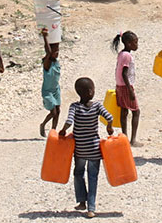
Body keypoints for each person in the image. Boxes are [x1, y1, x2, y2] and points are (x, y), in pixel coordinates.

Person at [60, 77, 114, 219]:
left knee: (78, 174)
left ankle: (82, 201)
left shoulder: (74, 107)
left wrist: (63, 131)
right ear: (90, 91)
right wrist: (109, 128)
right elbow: (110, 117)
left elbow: (69, 121)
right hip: (95, 150)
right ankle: (91, 208)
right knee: (93, 177)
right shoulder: (97, 106)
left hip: (80, 150)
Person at [111, 31, 141, 146]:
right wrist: (130, 90)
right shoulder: (127, 56)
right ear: (128, 43)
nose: (137, 45)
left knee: (124, 111)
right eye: (135, 42)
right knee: (136, 111)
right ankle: (132, 140)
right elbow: (124, 73)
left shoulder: (121, 54)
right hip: (126, 87)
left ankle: (125, 137)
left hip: (119, 85)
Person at [40, 28, 61, 137]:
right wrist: (45, 37)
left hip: (56, 89)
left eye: (58, 50)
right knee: (53, 113)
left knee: (58, 111)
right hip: (47, 91)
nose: (57, 52)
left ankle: (53, 131)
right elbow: (48, 52)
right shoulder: (47, 63)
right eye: (55, 50)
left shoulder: (56, 62)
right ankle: (43, 125)